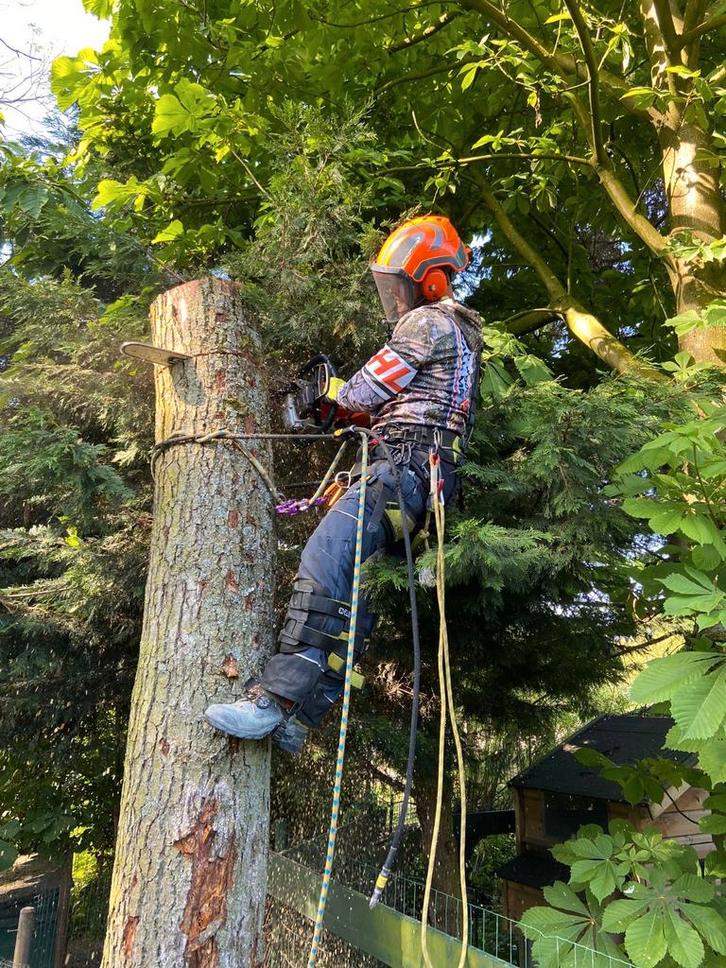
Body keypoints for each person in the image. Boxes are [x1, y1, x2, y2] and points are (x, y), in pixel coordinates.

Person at [205, 214, 483, 753]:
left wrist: (334, 401)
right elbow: (417, 403)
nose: (395, 299)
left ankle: (275, 702)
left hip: (400, 470)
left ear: (429, 279)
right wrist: (357, 418)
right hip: (425, 481)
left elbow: (364, 388)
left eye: (399, 285)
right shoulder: (463, 336)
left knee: (324, 561)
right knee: (357, 599)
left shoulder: (426, 323)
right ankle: (301, 721)